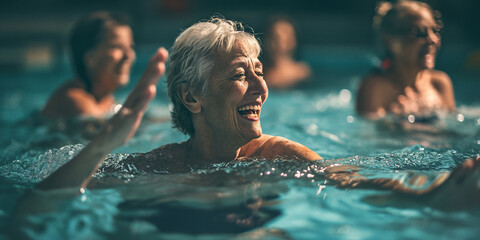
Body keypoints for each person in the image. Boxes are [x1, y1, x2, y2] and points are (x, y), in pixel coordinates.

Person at [16, 18, 479, 215]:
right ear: (191, 99)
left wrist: (425, 200)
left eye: (260, 72)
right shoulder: (157, 165)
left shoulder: (277, 154)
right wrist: (102, 146)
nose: (262, 88)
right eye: (241, 75)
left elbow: (349, 181)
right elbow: (37, 205)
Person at [356, 1, 456, 119]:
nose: (433, 39)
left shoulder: (440, 83)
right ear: (390, 40)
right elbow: (370, 135)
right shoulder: (374, 88)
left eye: (435, 30)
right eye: (419, 32)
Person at [41, 11, 136, 119]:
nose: (128, 56)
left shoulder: (108, 102)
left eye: (131, 47)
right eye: (117, 47)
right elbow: (105, 134)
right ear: (90, 57)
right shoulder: (73, 99)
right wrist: (143, 91)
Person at [262, 17, 311, 89]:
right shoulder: (259, 72)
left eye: (285, 40)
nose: (279, 44)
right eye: (275, 38)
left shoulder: (302, 73)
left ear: (294, 41)